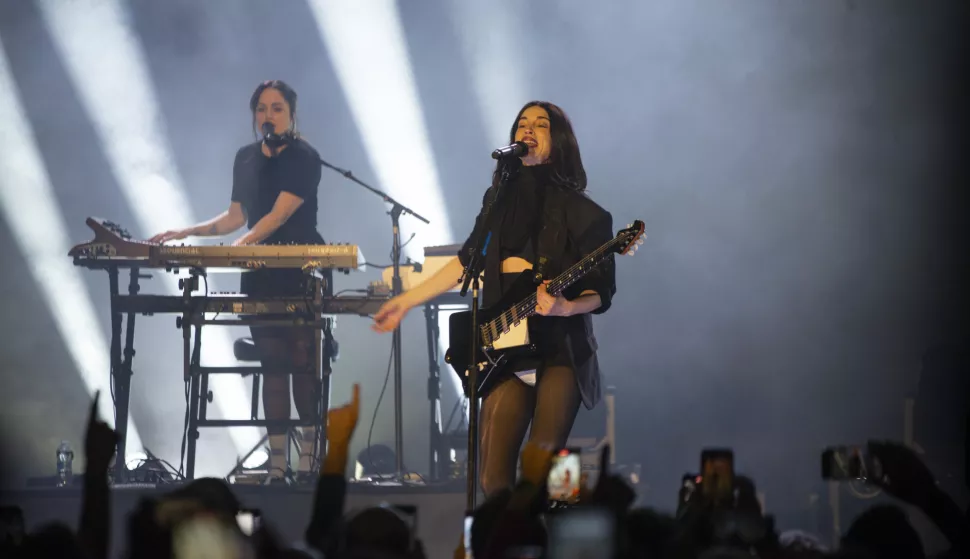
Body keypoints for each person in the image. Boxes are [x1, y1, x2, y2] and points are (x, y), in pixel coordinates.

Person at [372, 101, 616, 496]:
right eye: (522, 124)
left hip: (560, 350)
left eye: (541, 124)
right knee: (491, 478)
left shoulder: (584, 212)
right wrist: (406, 300)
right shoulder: (497, 201)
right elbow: (466, 262)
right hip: (506, 346)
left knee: (544, 474)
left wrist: (566, 306)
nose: (529, 130)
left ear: (560, 140)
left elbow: (601, 291)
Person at [149, 80, 326, 482]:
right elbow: (233, 217)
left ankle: (309, 462)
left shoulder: (304, 157)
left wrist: (241, 244)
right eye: (262, 108)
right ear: (254, 115)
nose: (268, 115)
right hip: (259, 272)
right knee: (273, 364)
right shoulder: (246, 158)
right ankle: (278, 463)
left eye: (277, 108)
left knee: (302, 364)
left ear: (291, 114)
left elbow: (278, 215)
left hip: (298, 267)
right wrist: (186, 231)